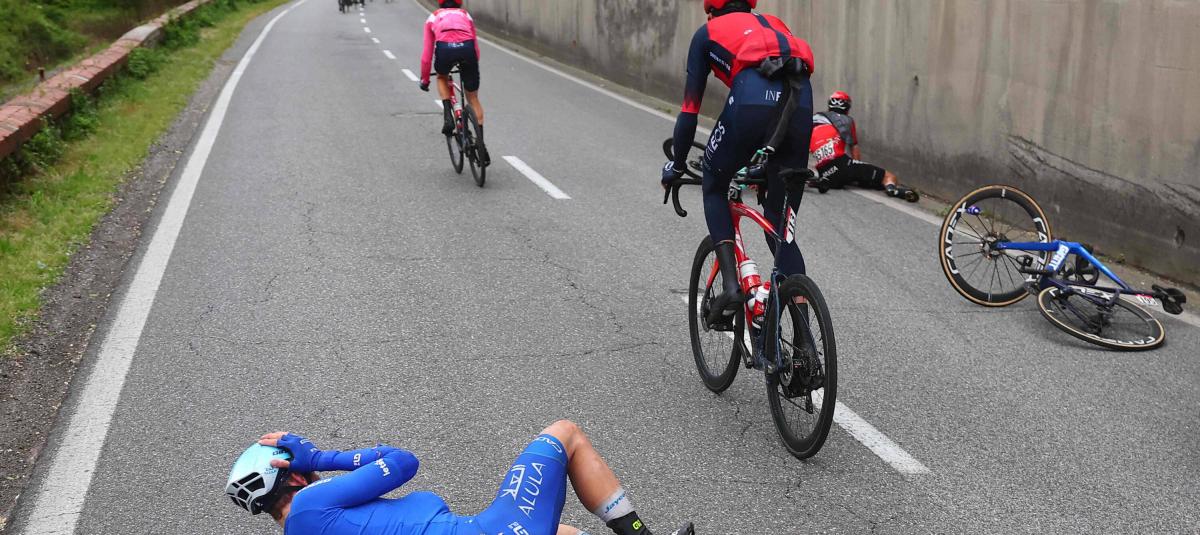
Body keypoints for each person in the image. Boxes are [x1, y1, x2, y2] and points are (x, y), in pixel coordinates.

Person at [225, 420, 694, 535]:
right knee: (564, 434)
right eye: (300, 461)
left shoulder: (309, 526)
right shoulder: (311, 505)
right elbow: (402, 461)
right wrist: (323, 456)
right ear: (290, 475)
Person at [660, 0, 815, 328]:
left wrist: (676, 165)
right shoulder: (774, 24)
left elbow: (689, 110)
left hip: (751, 100)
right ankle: (804, 339)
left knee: (714, 183)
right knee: (780, 226)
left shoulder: (707, 33)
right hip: (801, 102)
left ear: (710, 10)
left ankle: (731, 288)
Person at [809, 91, 918, 202]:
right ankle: (892, 189)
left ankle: (820, 181)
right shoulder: (847, 120)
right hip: (842, 164)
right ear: (847, 107)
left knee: (841, 176)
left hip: (823, 170)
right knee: (889, 176)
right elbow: (854, 148)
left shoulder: (813, 119)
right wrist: (857, 168)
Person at [419, 0, 488, 164]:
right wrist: (471, 66)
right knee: (473, 98)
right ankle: (481, 146)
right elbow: (476, 48)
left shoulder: (433, 17)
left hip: (445, 51)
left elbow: (426, 56)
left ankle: (448, 116)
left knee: (442, 77)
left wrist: (425, 79)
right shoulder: (466, 15)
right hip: (468, 51)